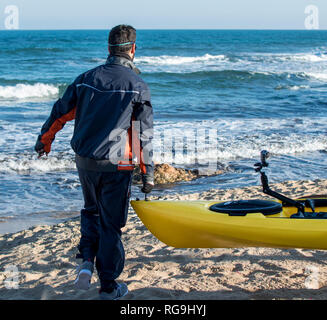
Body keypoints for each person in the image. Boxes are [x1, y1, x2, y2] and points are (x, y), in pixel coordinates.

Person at [35, 25, 154, 300]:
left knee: (91, 211)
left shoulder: (86, 78)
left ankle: (87, 261)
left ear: (109, 49)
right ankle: (109, 286)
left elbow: (61, 112)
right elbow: (142, 134)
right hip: (116, 166)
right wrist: (147, 173)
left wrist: (45, 141)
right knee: (111, 225)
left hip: (85, 161)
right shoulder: (137, 86)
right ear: (133, 50)